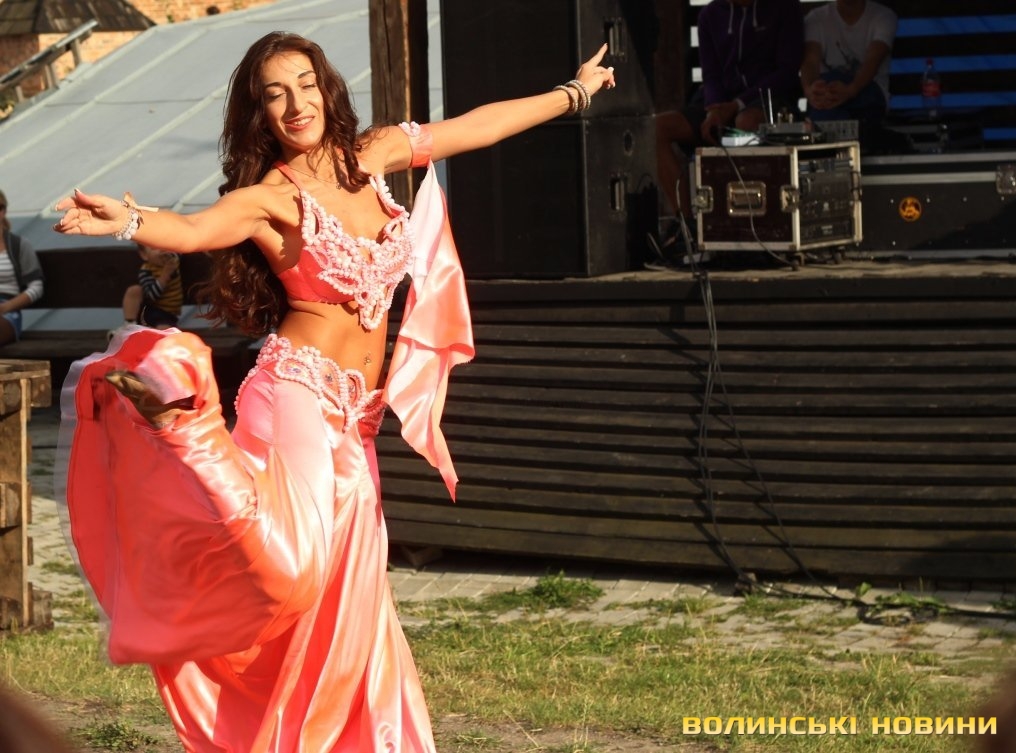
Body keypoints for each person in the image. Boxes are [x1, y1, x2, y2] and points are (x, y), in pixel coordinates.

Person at [52, 31, 615, 753]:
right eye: (275, 94)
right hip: (296, 393)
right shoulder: (271, 198)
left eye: (305, 84)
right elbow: (193, 228)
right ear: (259, 113)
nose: (295, 104)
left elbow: (476, 126)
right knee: (297, 568)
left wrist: (572, 93)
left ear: (327, 88)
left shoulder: (371, 156)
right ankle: (186, 431)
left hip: (356, 416)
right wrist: (129, 221)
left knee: (355, 592)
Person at [651, 0, 804, 263]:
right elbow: (711, 76)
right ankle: (687, 225)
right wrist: (714, 110)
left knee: (745, 125)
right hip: (719, 104)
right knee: (658, 128)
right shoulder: (710, 15)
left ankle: (751, 223)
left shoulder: (784, 7)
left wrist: (736, 105)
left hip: (768, 102)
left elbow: (787, 73)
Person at [800, 0, 898, 138]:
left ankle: (823, 137)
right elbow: (810, 60)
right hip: (828, 95)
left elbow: (873, 60)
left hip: (868, 93)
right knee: (828, 98)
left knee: (828, 98)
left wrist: (850, 90)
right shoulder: (816, 18)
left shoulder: (883, 16)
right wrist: (811, 90)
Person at [108, 242, 183, 340]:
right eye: (154, 248)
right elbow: (152, 296)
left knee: (165, 333)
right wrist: (165, 275)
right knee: (134, 290)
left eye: (164, 245)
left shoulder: (173, 261)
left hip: (166, 315)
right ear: (144, 255)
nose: (162, 250)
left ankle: (142, 336)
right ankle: (129, 326)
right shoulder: (146, 271)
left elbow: (181, 249)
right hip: (146, 310)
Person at [0, 188, 44, 347]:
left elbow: (37, 287)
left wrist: (6, 307)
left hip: (7, 313)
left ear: (4, 211)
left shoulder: (18, 245)